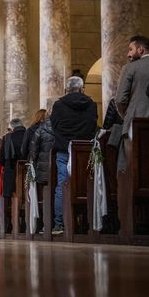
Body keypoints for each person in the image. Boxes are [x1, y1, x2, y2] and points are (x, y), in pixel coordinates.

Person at [50, 76, 97, 235]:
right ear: (82, 88)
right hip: (85, 150)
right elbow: (93, 125)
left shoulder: (58, 105)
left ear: (66, 89)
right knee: (87, 184)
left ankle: (59, 224)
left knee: (62, 185)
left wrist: (64, 139)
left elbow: (53, 126)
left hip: (64, 149)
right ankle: (91, 223)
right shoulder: (91, 104)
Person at [115, 35, 149, 170]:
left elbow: (120, 99)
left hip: (135, 124)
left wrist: (126, 115)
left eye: (130, 49)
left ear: (141, 50)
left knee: (130, 166)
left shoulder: (130, 68)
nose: (128, 54)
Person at [0, 118, 26, 199]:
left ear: (12, 128)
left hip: (10, 172)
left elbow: (1, 158)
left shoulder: (7, 138)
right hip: (27, 170)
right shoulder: (28, 134)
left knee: (10, 195)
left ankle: (9, 208)